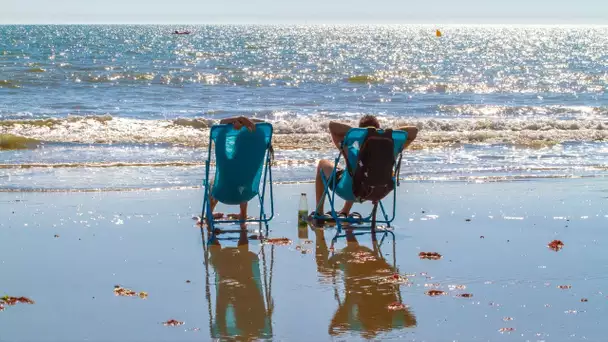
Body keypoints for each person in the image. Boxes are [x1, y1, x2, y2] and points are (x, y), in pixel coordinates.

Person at [312, 115, 418, 219]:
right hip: (378, 192)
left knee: (323, 163)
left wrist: (360, 134)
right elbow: (414, 131)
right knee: (359, 171)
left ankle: (319, 212)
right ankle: (345, 211)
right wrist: (386, 134)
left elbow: (332, 126)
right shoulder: (391, 149)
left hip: (350, 191)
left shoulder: (352, 147)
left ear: (360, 131)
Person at [208, 116, 265, 229]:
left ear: (236, 144)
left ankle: (209, 213)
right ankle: (243, 214)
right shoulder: (256, 159)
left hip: (222, 194)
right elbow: (263, 126)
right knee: (244, 177)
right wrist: (246, 122)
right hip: (245, 194)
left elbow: (221, 124)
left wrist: (240, 119)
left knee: (213, 181)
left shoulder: (225, 160)